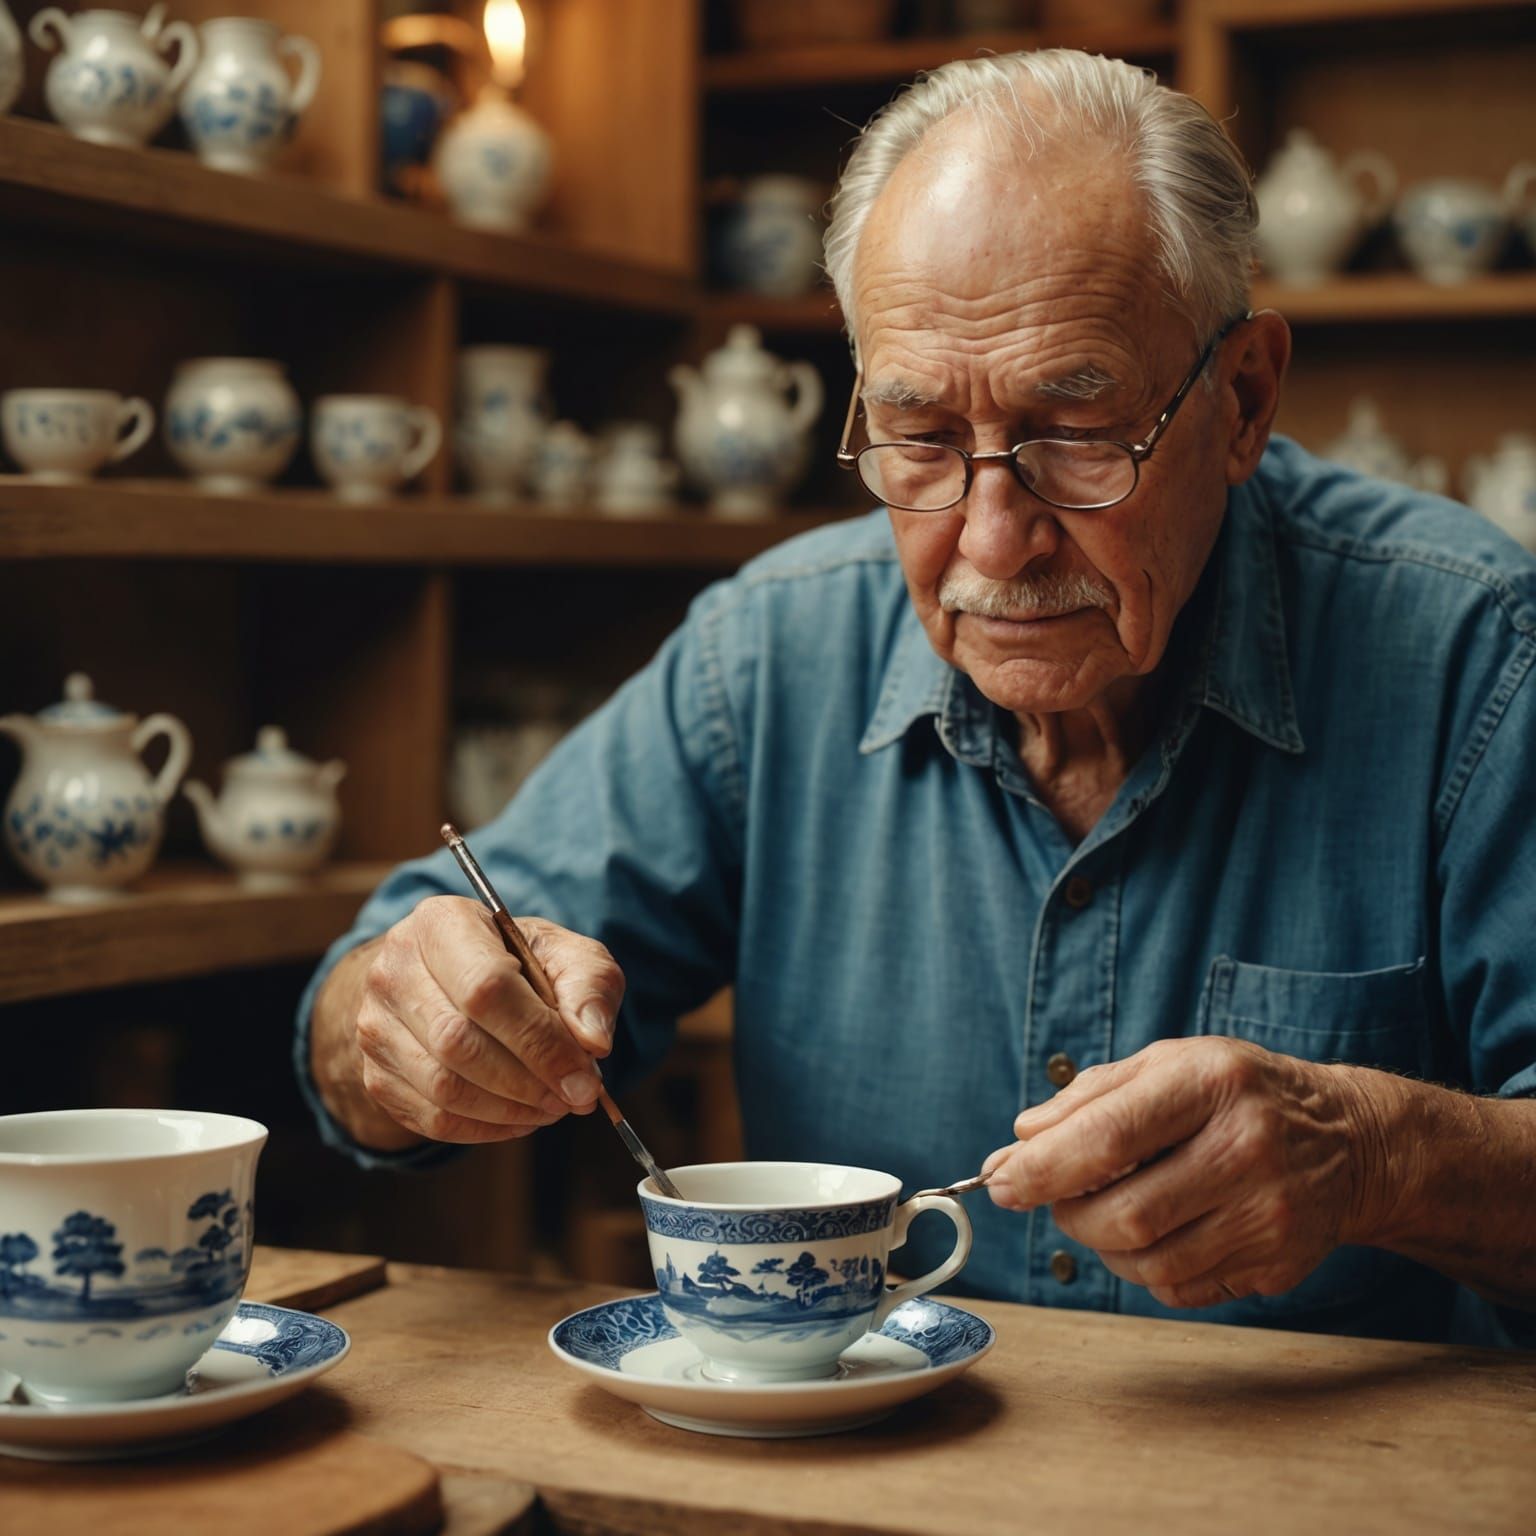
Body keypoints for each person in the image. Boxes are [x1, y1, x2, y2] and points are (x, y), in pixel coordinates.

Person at [298, 50, 1536, 1346]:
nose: (994, 542)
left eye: (1073, 432)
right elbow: (364, 1015)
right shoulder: (771, 653)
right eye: (922, 439)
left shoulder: (1471, 651)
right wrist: (405, 1026)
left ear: (1241, 400)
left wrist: (1381, 1155)